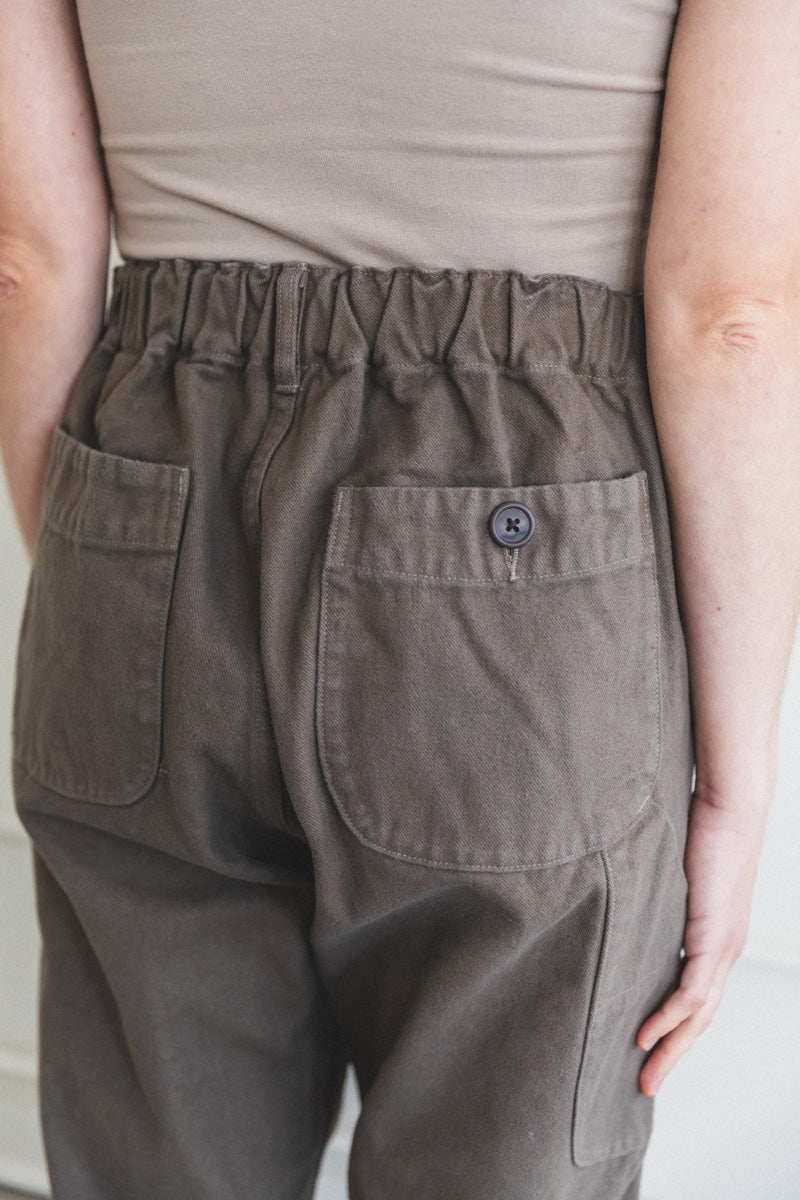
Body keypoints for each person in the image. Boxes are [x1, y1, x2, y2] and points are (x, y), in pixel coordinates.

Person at [1, 1, 798, 1198]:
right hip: (519, 525)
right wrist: (732, 787)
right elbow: (728, 313)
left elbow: (24, 264)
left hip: (147, 490)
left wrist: (110, 569)